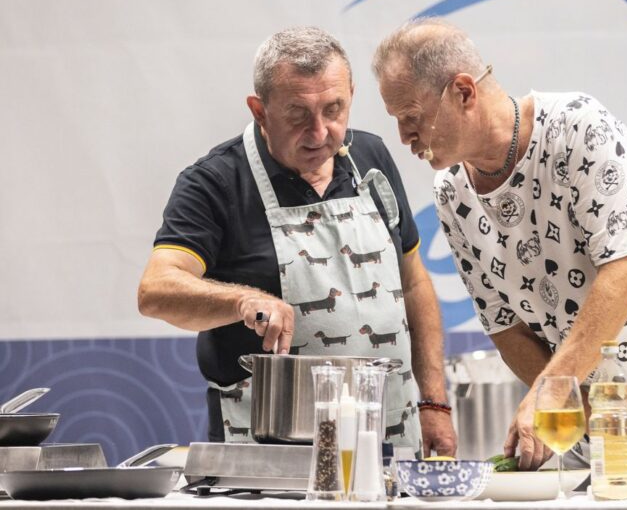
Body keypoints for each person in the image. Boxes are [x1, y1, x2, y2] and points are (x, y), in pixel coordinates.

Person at [371, 18, 627, 477]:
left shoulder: (578, 127)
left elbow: (624, 276)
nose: (404, 138)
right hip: (602, 417)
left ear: (464, 92)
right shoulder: (451, 193)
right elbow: (506, 328)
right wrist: (598, 418)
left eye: (411, 118)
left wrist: (549, 394)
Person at [138, 26, 456, 458]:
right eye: (298, 115)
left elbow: (414, 283)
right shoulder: (215, 183)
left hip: (389, 439)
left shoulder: (372, 160)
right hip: (268, 450)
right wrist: (241, 302)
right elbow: (156, 290)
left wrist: (433, 402)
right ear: (259, 110)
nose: (320, 132)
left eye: (334, 109)